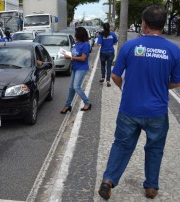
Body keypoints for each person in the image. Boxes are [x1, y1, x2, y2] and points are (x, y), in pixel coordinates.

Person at [98, 5, 180, 200]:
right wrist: (160, 86)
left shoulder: (130, 46)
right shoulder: (173, 50)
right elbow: (177, 81)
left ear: (144, 24)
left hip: (130, 109)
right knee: (155, 148)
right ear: (162, 25)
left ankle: (108, 180)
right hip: (157, 111)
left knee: (122, 145)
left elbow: (115, 75)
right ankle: (151, 187)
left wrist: (126, 89)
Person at [60, 26, 91, 114]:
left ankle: (87, 103)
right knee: (71, 88)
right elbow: (74, 54)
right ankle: (67, 105)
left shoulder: (86, 45)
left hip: (81, 68)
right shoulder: (77, 43)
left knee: (76, 87)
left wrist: (70, 57)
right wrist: (65, 53)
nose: (75, 34)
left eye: (76, 33)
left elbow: (83, 58)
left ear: (79, 35)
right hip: (75, 67)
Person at [97, 22, 118, 87]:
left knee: (103, 65)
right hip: (111, 52)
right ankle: (108, 80)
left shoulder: (101, 35)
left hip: (103, 52)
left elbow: (99, 44)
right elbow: (115, 42)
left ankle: (103, 77)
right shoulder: (113, 34)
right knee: (109, 67)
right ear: (109, 27)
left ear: (103, 27)